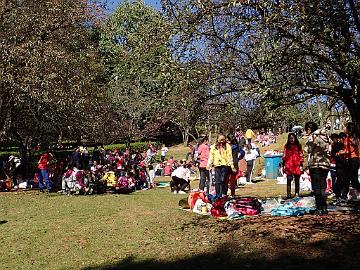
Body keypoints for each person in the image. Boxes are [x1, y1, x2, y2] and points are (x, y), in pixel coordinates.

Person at [304, 121, 331, 215]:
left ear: (309, 129)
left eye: (306, 130)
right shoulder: (326, 136)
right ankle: (324, 208)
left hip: (316, 164)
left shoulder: (313, 137)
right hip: (326, 164)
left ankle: (319, 208)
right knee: (323, 186)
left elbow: (307, 149)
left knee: (316, 187)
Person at [282, 133, 303, 198]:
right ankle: (288, 194)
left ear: (295, 138)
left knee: (297, 180)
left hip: (296, 165)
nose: (292, 139)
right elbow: (284, 155)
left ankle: (297, 193)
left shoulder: (298, 146)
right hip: (289, 165)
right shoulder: (286, 146)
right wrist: (283, 165)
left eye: (293, 138)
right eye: (290, 138)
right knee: (289, 179)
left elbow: (301, 155)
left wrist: (301, 165)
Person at [343, 122, 360, 198]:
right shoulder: (355, 138)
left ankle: (344, 196)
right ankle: (344, 196)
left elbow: (348, 151)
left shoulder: (350, 139)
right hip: (354, 160)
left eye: (345, 127)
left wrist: (340, 152)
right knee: (350, 180)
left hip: (351, 160)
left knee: (352, 180)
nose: (344, 129)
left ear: (349, 129)